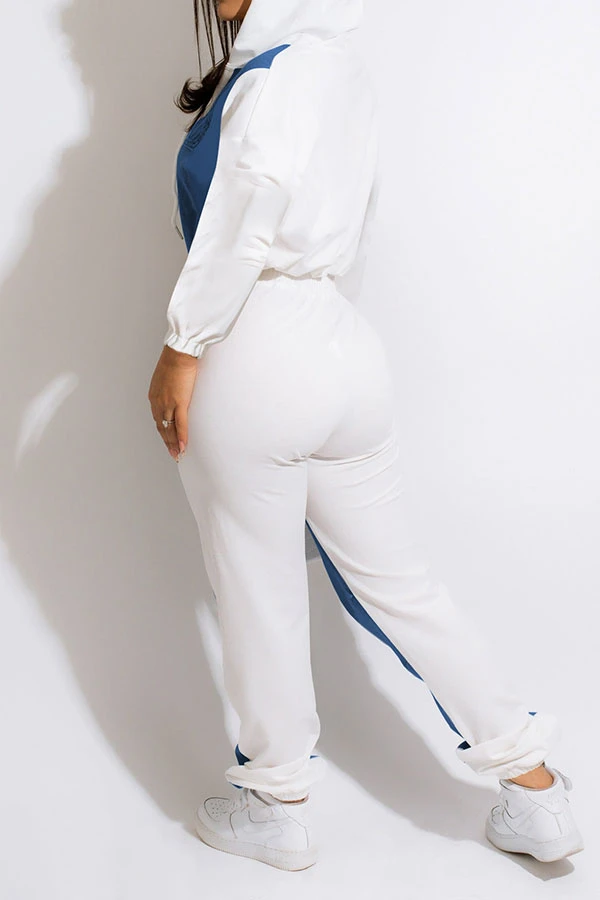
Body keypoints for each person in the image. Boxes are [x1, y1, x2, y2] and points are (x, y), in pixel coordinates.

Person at [147, 0, 584, 872]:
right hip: (344, 349)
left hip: (252, 350)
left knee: (259, 594)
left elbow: (250, 207)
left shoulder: (271, 78)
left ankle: (275, 806)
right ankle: (535, 790)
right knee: (403, 588)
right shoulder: (338, 65)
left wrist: (181, 347)